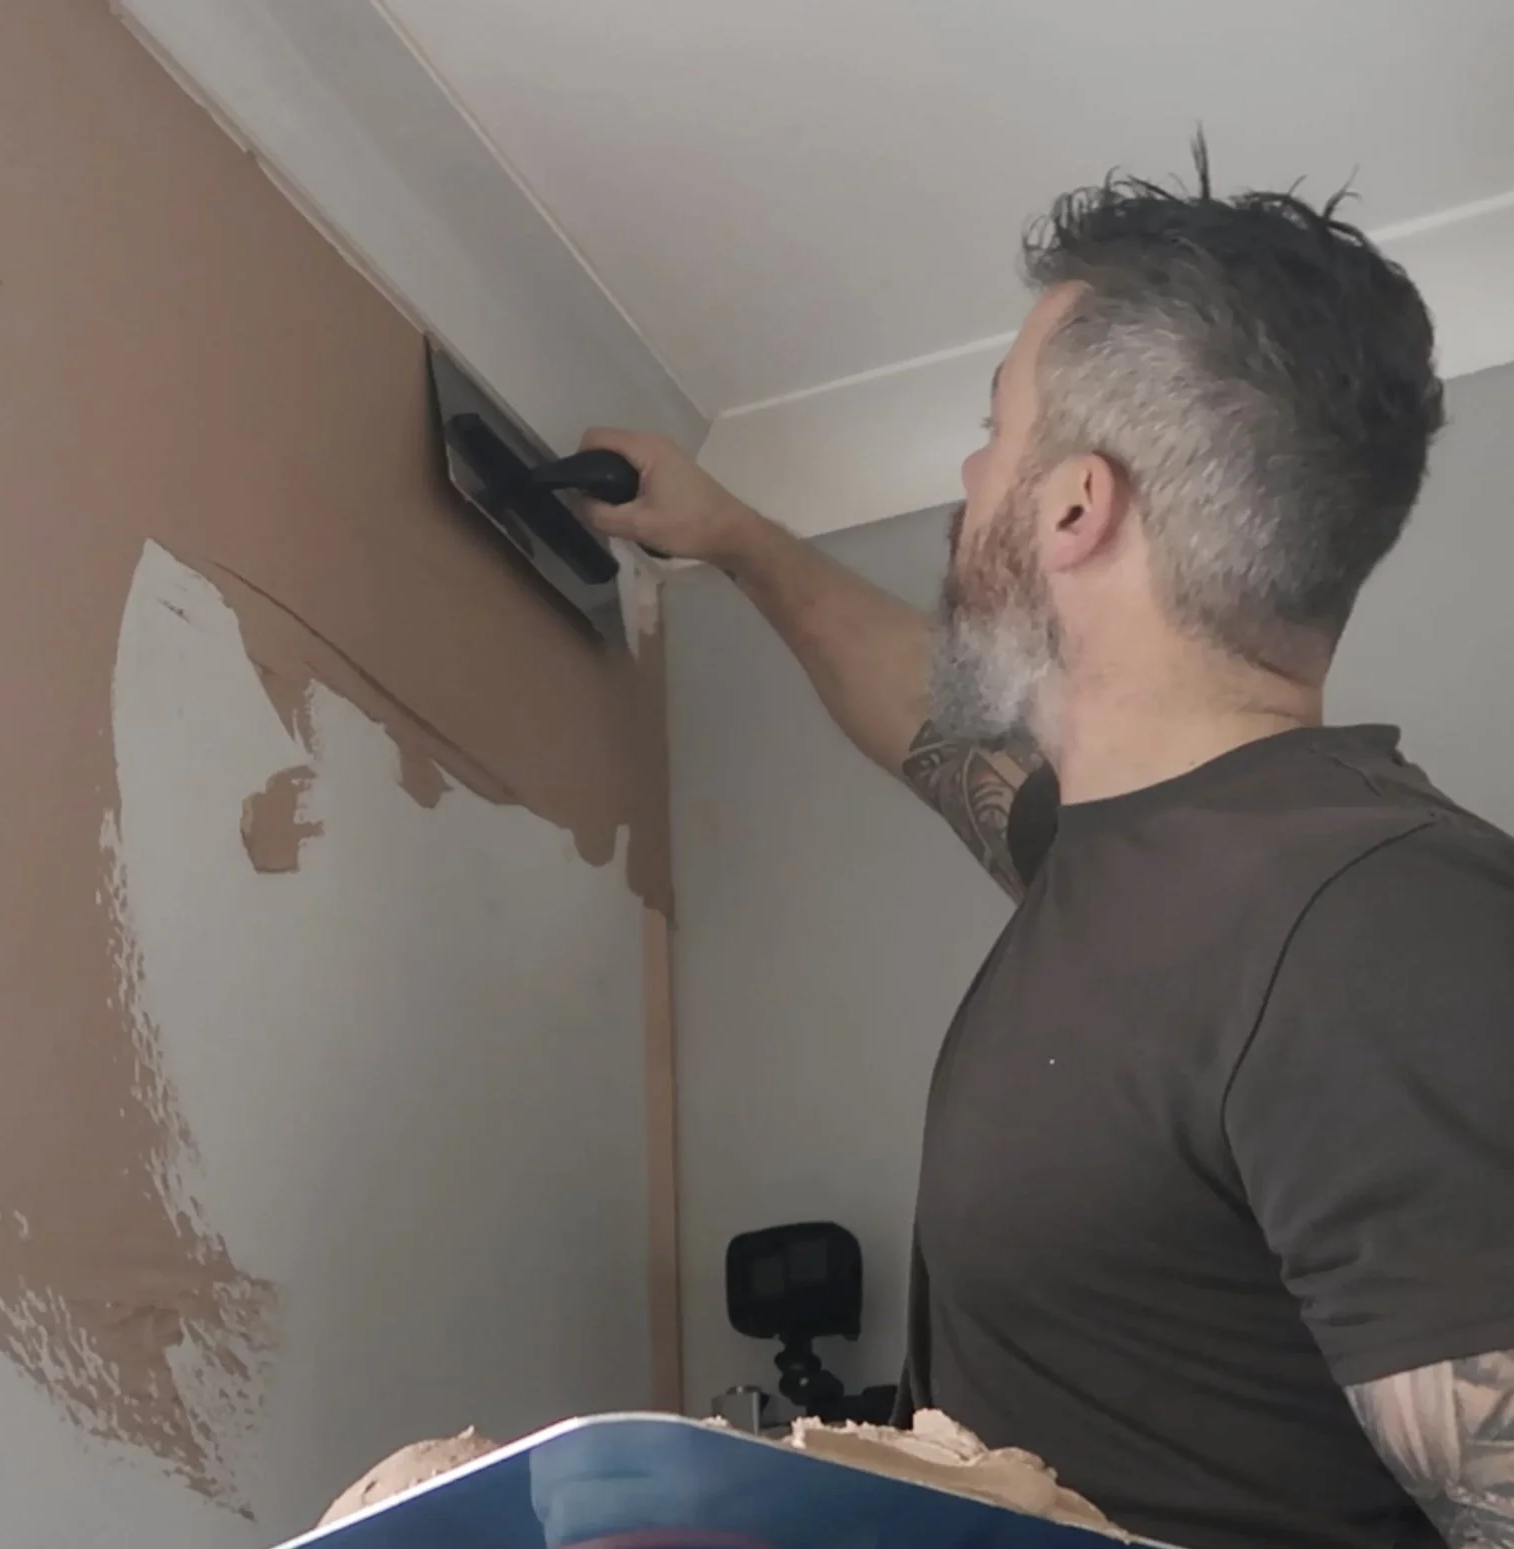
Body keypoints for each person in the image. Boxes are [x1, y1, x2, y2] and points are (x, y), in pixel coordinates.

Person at [576, 146, 1514, 1549]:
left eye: (990, 428)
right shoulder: (1137, 862)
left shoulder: (1367, 924)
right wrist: (737, 540)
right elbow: (935, 737)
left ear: (1077, 504)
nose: (969, 476)